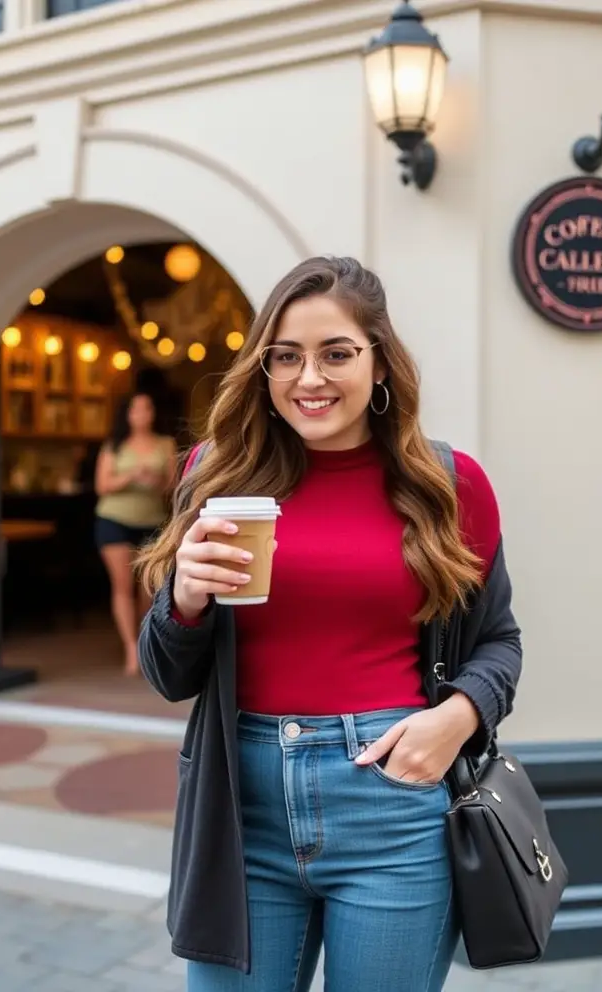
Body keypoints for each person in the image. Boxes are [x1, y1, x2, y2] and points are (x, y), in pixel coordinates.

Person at [137, 257, 522, 992]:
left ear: (380, 363)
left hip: (391, 799)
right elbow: (167, 675)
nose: (309, 378)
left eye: (336, 353)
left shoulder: (449, 485)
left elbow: (499, 641)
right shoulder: (214, 476)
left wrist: (456, 719)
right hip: (238, 808)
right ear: (263, 370)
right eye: (285, 357)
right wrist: (184, 596)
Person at [95, 392, 176, 675]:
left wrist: (156, 481)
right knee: (122, 585)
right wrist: (130, 476)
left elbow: (173, 488)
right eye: (136, 409)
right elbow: (102, 486)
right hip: (114, 519)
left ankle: (144, 645)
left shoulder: (166, 444)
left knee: (148, 591)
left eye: (147, 408)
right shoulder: (114, 446)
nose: (142, 414)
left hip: (152, 522)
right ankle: (131, 648)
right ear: (126, 415)